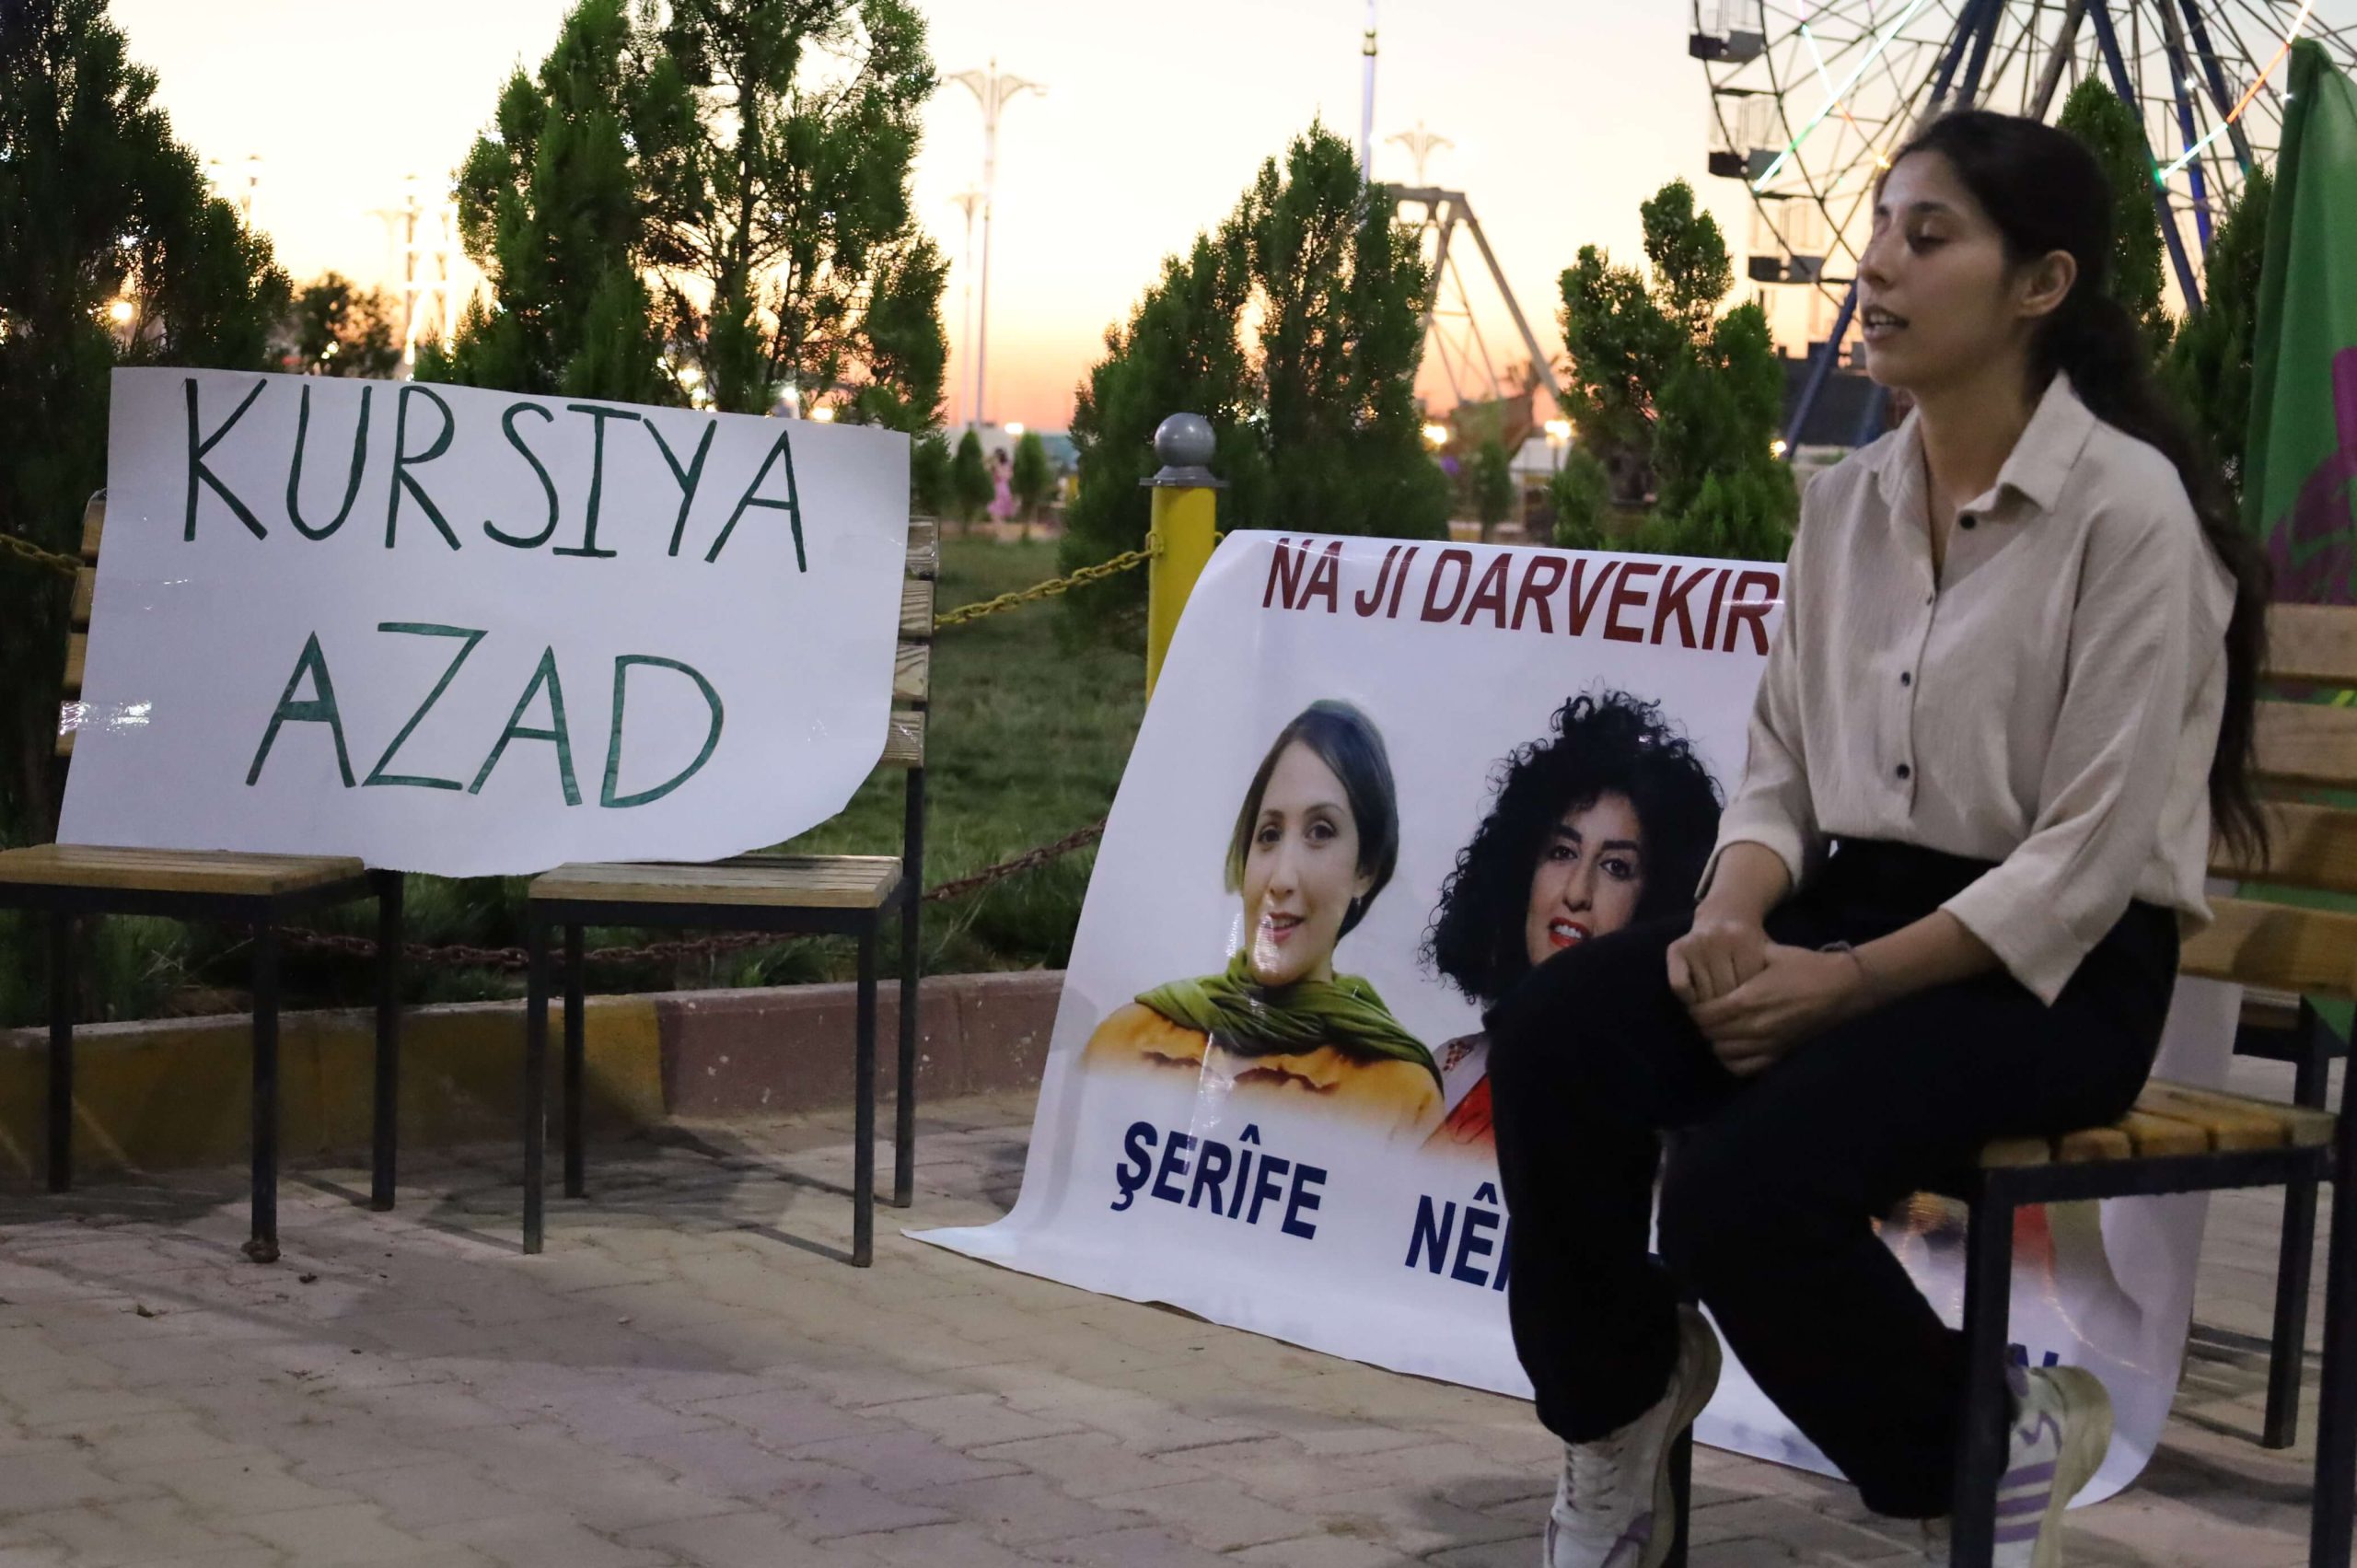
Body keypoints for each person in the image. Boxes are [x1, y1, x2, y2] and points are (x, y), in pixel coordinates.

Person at [1482, 110, 2268, 1568]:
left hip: (2050, 973)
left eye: (1929, 234)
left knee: (1737, 1189)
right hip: (1842, 912)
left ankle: (1976, 1441)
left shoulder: (2132, 516)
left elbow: (2085, 860)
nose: (1879, 265)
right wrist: (1732, 911)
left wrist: (1838, 985)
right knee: (1552, 1033)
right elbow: (1782, 764)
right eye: (1881, 227)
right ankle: (1619, 1409)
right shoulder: (1845, 504)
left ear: (2040, 284)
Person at [1085, 700, 1443, 1139]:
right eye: (1269, 835)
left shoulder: (1401, 1099)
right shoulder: (1127, 1039)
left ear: (1365, 869)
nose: (1281, 879)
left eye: (1321, 832)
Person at [1421, 692, 1722, 1156]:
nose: (1577, 892)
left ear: (1659, 905)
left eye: (1616, 867)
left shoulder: (1670, 1123)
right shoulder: (1449, 1069)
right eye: (1562, 852)